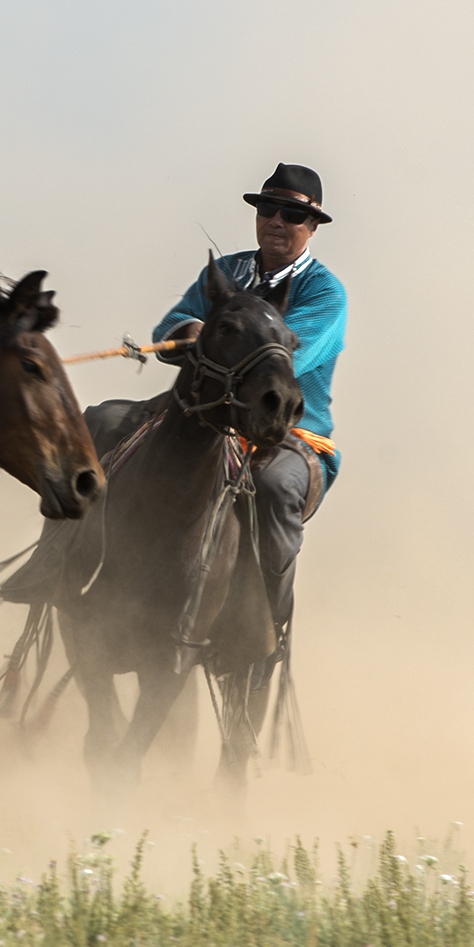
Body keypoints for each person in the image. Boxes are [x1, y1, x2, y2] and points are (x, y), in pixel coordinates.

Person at [150, 162, 346, 641]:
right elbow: (169, 327)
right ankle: (55, 570)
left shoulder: (325, 293)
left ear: (313, 227)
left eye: (292, 215)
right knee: (106, 423)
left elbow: (277, 367)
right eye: (267, 209)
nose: (276, 221)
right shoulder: (226, 271)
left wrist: (217, 339)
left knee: (275, 489)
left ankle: (267, 627)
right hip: (208, 418)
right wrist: (193, 330)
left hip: (287, 437)